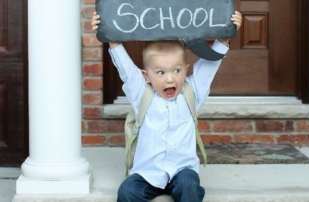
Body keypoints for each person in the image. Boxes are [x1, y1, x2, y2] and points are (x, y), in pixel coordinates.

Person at [91, 11, 242, 202]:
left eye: (177, 71)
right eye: (160, 72)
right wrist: (110, 35)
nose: (170, 78)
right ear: (146, 76)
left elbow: (210, 65)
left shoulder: (192, 92)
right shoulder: (140, 93)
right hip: (148, 174)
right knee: (127, 191)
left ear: (186, 71)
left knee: (190, 188)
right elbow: (125, 68)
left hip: (182, 171)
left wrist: (225, 37)